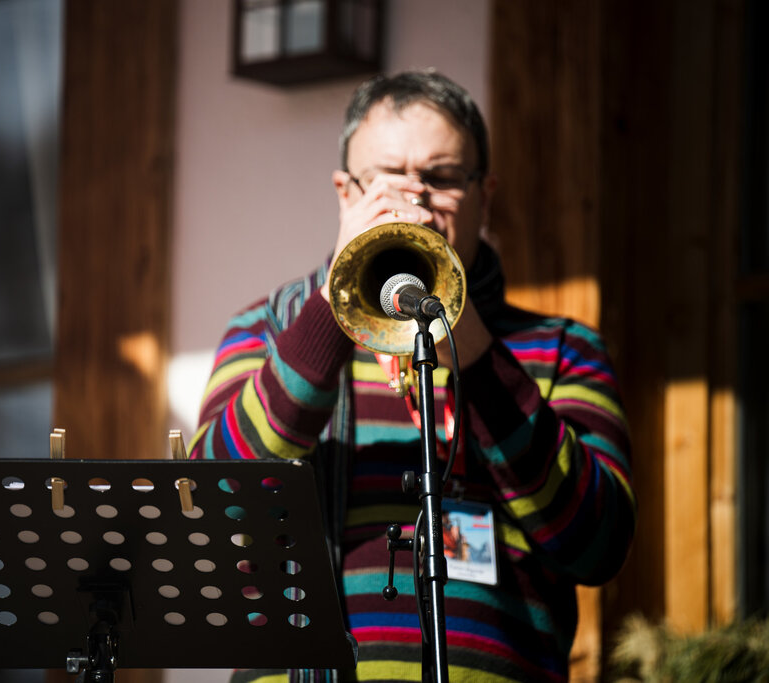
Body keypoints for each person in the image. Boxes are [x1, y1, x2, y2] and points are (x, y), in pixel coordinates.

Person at [188, 69, 636, 683]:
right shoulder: (267, 330)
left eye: (443, 177)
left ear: (485, 195)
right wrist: (328, 321)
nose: (416, 197)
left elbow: (599, 541)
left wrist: (475, 353)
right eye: (387, 178)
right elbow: (211, 502)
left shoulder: (561, 348)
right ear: (346, 194)